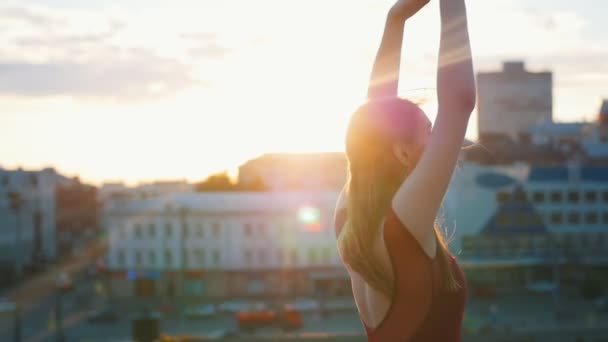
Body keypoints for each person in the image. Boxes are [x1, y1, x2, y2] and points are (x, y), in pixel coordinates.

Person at [334, 0, 476, 340]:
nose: (438, 139)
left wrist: (396, 19)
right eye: (430, 131)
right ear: (400, 152)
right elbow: (458, 103)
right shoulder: (403, 226)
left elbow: (375, 123)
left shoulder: (350, 220)